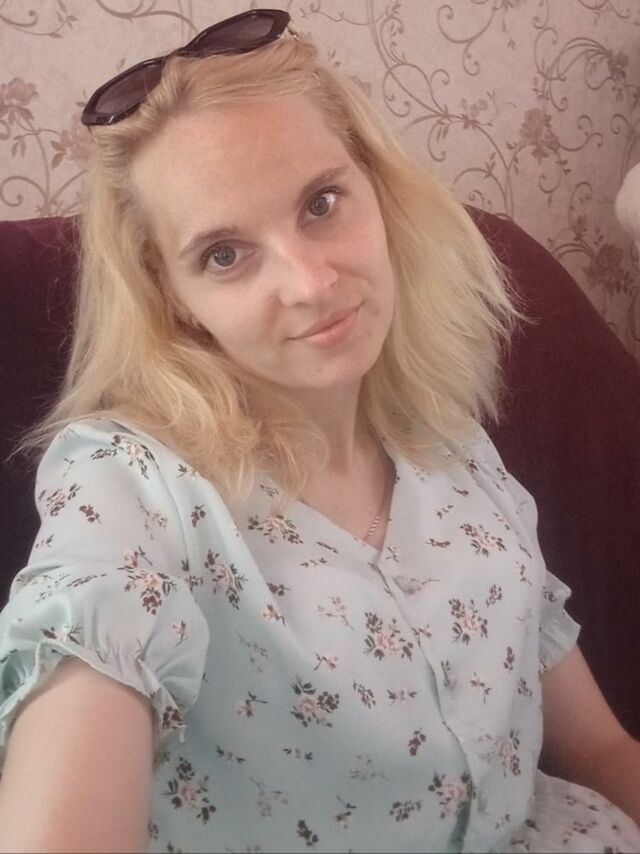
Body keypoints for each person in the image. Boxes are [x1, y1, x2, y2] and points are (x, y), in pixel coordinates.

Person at [0, 8, 638, 853]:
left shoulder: (454, 447)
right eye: (224, 254)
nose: (309, 283)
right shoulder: (130, 490)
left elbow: (600, 749)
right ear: (173, 299)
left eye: (321, 204)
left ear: (380, 191)